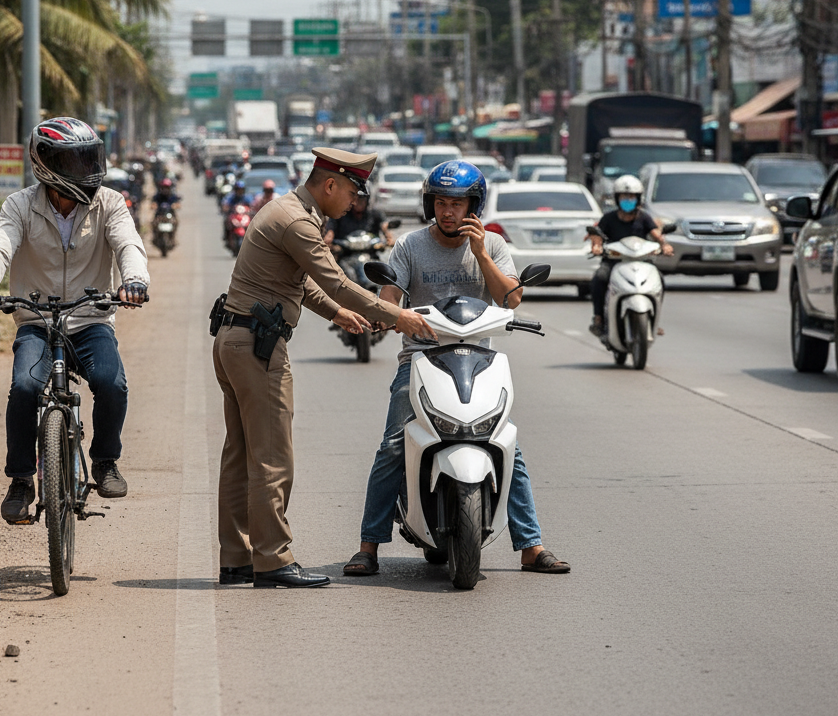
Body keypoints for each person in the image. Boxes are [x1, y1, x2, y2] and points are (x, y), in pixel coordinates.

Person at [213, 147, 437, 589]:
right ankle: (273, 559)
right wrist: (400, 316)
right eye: (352, 192)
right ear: (330, 184)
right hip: (258, 348)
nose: (354, 203)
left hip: (235, 339)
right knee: (273, 458)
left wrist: (337, 314)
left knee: (241, 456)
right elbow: (334, 278)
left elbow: (302, 283)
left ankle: (238, 558)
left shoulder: (286, 212)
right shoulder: (298, 221)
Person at [343, 160, 570, 577]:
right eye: (442, 203)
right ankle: (368, 546)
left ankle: (531, 546)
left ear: (474, 206)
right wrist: (386, 315)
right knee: (395, 442)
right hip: (420, 358)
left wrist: (481, 252)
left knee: (505, 442)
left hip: (477, 359)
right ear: (431, 204)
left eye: (458, 204)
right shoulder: (410, 246)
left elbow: (511, 300)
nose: (449, 212)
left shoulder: (494, 245)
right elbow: (390, 297)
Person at [0, 117, 149, 524]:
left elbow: (128, 244)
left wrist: (134, 280)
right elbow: (0, 245)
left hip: (90, 319)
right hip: (36, 320)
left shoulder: (110, 203)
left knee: (111, 383)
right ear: (47, 165)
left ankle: (104, 461)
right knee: (24, 387)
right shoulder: (19, 205)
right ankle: (20, 480)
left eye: (91, 159)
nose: (89, 171)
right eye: (77, 162)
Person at [588, 174, 674, 337]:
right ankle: (599, 318)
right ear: (617, 199)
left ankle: (654, 320)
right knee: (599, 278)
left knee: (660, 280)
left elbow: (656, 234)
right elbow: (597, 234)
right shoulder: (609, 218)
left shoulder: (644, 218)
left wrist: (665, 245)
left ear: (638, 198)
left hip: (642, 263)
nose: (628, 200)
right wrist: (597, 246)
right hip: (614, 263)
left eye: (631, 197)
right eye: (624, 197)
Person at [324, 192, 394, 249]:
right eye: (356, 199)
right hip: (344, 254)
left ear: (367, 200)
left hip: (370, 254)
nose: (358, 202)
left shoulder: (374, 214)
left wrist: (389, 237)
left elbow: (384, 225)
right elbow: (331, 227)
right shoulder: (341, 213)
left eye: (362, 199)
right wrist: (329, 236)